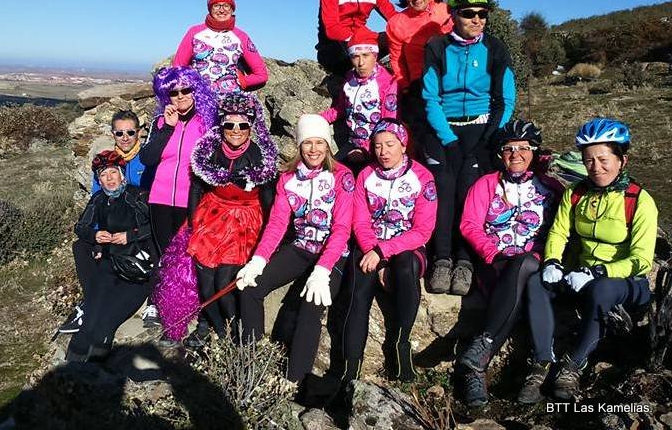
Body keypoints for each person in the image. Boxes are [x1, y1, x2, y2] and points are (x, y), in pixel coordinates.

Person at [518, 118, 657, 403]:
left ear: (622, 160)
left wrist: (598, 271)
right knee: (536, 282)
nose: (596, 167)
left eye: (604, 159)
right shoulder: (575, 194)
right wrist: (552, 262)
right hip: (580, 275)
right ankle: (541, 361)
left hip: (624, 282)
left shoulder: (639, 200)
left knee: (602, 289)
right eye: (589, 160)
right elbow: (559, 232)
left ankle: (574, 365)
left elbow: (641, 260)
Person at [236, 114, 354, 386]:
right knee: (251, 288)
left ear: (328, 145)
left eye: (319, 142)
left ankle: (294, 382)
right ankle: (251, 363)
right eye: (307, 143)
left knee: (311, 305)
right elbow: (277, 224)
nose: (314, 149)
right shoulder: (288, 178)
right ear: (299, 146)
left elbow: (341, 228)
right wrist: (258, 260)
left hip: (334, 254)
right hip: (302, 246)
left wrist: (322, 271)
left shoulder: (342, 176)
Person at [153, 92, 278, 346]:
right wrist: (193, 224)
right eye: (229, 125)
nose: (236, 131)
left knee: (223, 282)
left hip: (244, 221)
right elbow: (197, 189)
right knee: (205, 282)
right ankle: (220, 332)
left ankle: (236, 335)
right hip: (212, 218)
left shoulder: (260, 158)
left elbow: (268, 201)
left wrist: (270, 239)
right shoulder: (209, 151)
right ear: (221, 125)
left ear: (251, 127)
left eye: (242, 125)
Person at [455, 120, 563, 406]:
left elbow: (562, 229)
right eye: (509, 149)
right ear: (500, 154)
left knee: (528, 266)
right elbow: (469, 225)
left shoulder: (551, 188)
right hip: (497, 262)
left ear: (534, 152)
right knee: (525, 278)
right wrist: (492, 253)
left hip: (537, 261)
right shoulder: (486, 184)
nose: (516, 154)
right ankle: (533, 370)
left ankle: (479, 358)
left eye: (524, 148)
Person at [421, 0, 516, 296]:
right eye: (468, 13)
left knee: (470, 190)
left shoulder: (495, 48)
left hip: (480, 128)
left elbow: (506, 100)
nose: (477, 19)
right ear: (453, 14)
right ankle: (441, 258)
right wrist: (448, 140)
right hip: (443, 128)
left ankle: (465, 260)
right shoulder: (437, 47)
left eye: (482, 13)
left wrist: (487, 138)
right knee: (443, 187)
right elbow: (431, 98)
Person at [341, 118, 437, 382]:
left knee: (406, 266)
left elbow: (423, 230)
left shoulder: (423, 177)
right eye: (377, 145)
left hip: (406, 245)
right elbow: (359, 222)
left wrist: (383, 252)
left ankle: (400, 345)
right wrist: (376, 256)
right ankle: (350, 368)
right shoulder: (366, 175)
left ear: (403, 145)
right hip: (369, 245)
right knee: (358, 291)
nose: (383, 151)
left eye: (390, 145)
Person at [139, 66, 216, 327]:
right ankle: (159, 303)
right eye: (174, 92)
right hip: (159, 199)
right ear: (166, 95)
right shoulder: (160, 122)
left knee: (185, 255)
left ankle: (184, 304)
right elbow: (147, 158)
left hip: (190, 201)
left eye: (186, 90)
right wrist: (168, 129)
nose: (180, 96)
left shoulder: (207, 123)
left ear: (196, 91)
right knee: (164, 254)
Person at [65, 150, 156, 362]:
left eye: (113, 172)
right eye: (103, 175)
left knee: (107, 318)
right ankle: (72, 364)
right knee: (92, 313)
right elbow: (81, 227)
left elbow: (156, 226)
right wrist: (95, 235)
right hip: (110, 263)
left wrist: (130, 236)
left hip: (136, 267)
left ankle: (96, 360)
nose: (109, 178)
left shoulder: (138, 196)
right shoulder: (99, 199)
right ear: (99, 181)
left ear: (122, 175)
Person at [321, 29, 398, 175]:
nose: (361, 62)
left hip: (378, 147)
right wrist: (318, 119)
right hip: (352, 143)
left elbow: (389, 124)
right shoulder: (350, 78)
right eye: (355, 56)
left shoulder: (386, 82)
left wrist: (366, 149)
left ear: (375, 55)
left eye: (366, 55)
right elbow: (341, 109)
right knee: (329, 173)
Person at [173, 0, 268, 94]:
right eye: (216, 6)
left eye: (226, 6)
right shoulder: (194, 32)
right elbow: (177, 68)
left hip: (232, 98)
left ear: (232, 9)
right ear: (210, 9)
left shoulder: (241, 36)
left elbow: (261, 75)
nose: (222, 10)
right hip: (201, 97)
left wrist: (242, 81)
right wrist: (192, 81)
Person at [386, 0, 452, 103]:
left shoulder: (448, 12)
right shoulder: (396, 23)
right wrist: (405, 87)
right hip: (418, 87)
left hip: (450, 82)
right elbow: (397, 60)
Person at [91, 110, 149, 193]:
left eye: (130, 132)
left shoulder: (149, 158)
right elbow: (96, 194)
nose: (125, 138)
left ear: (139, 133)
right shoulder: (105, 161)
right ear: (113, 134)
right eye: (119, 133)